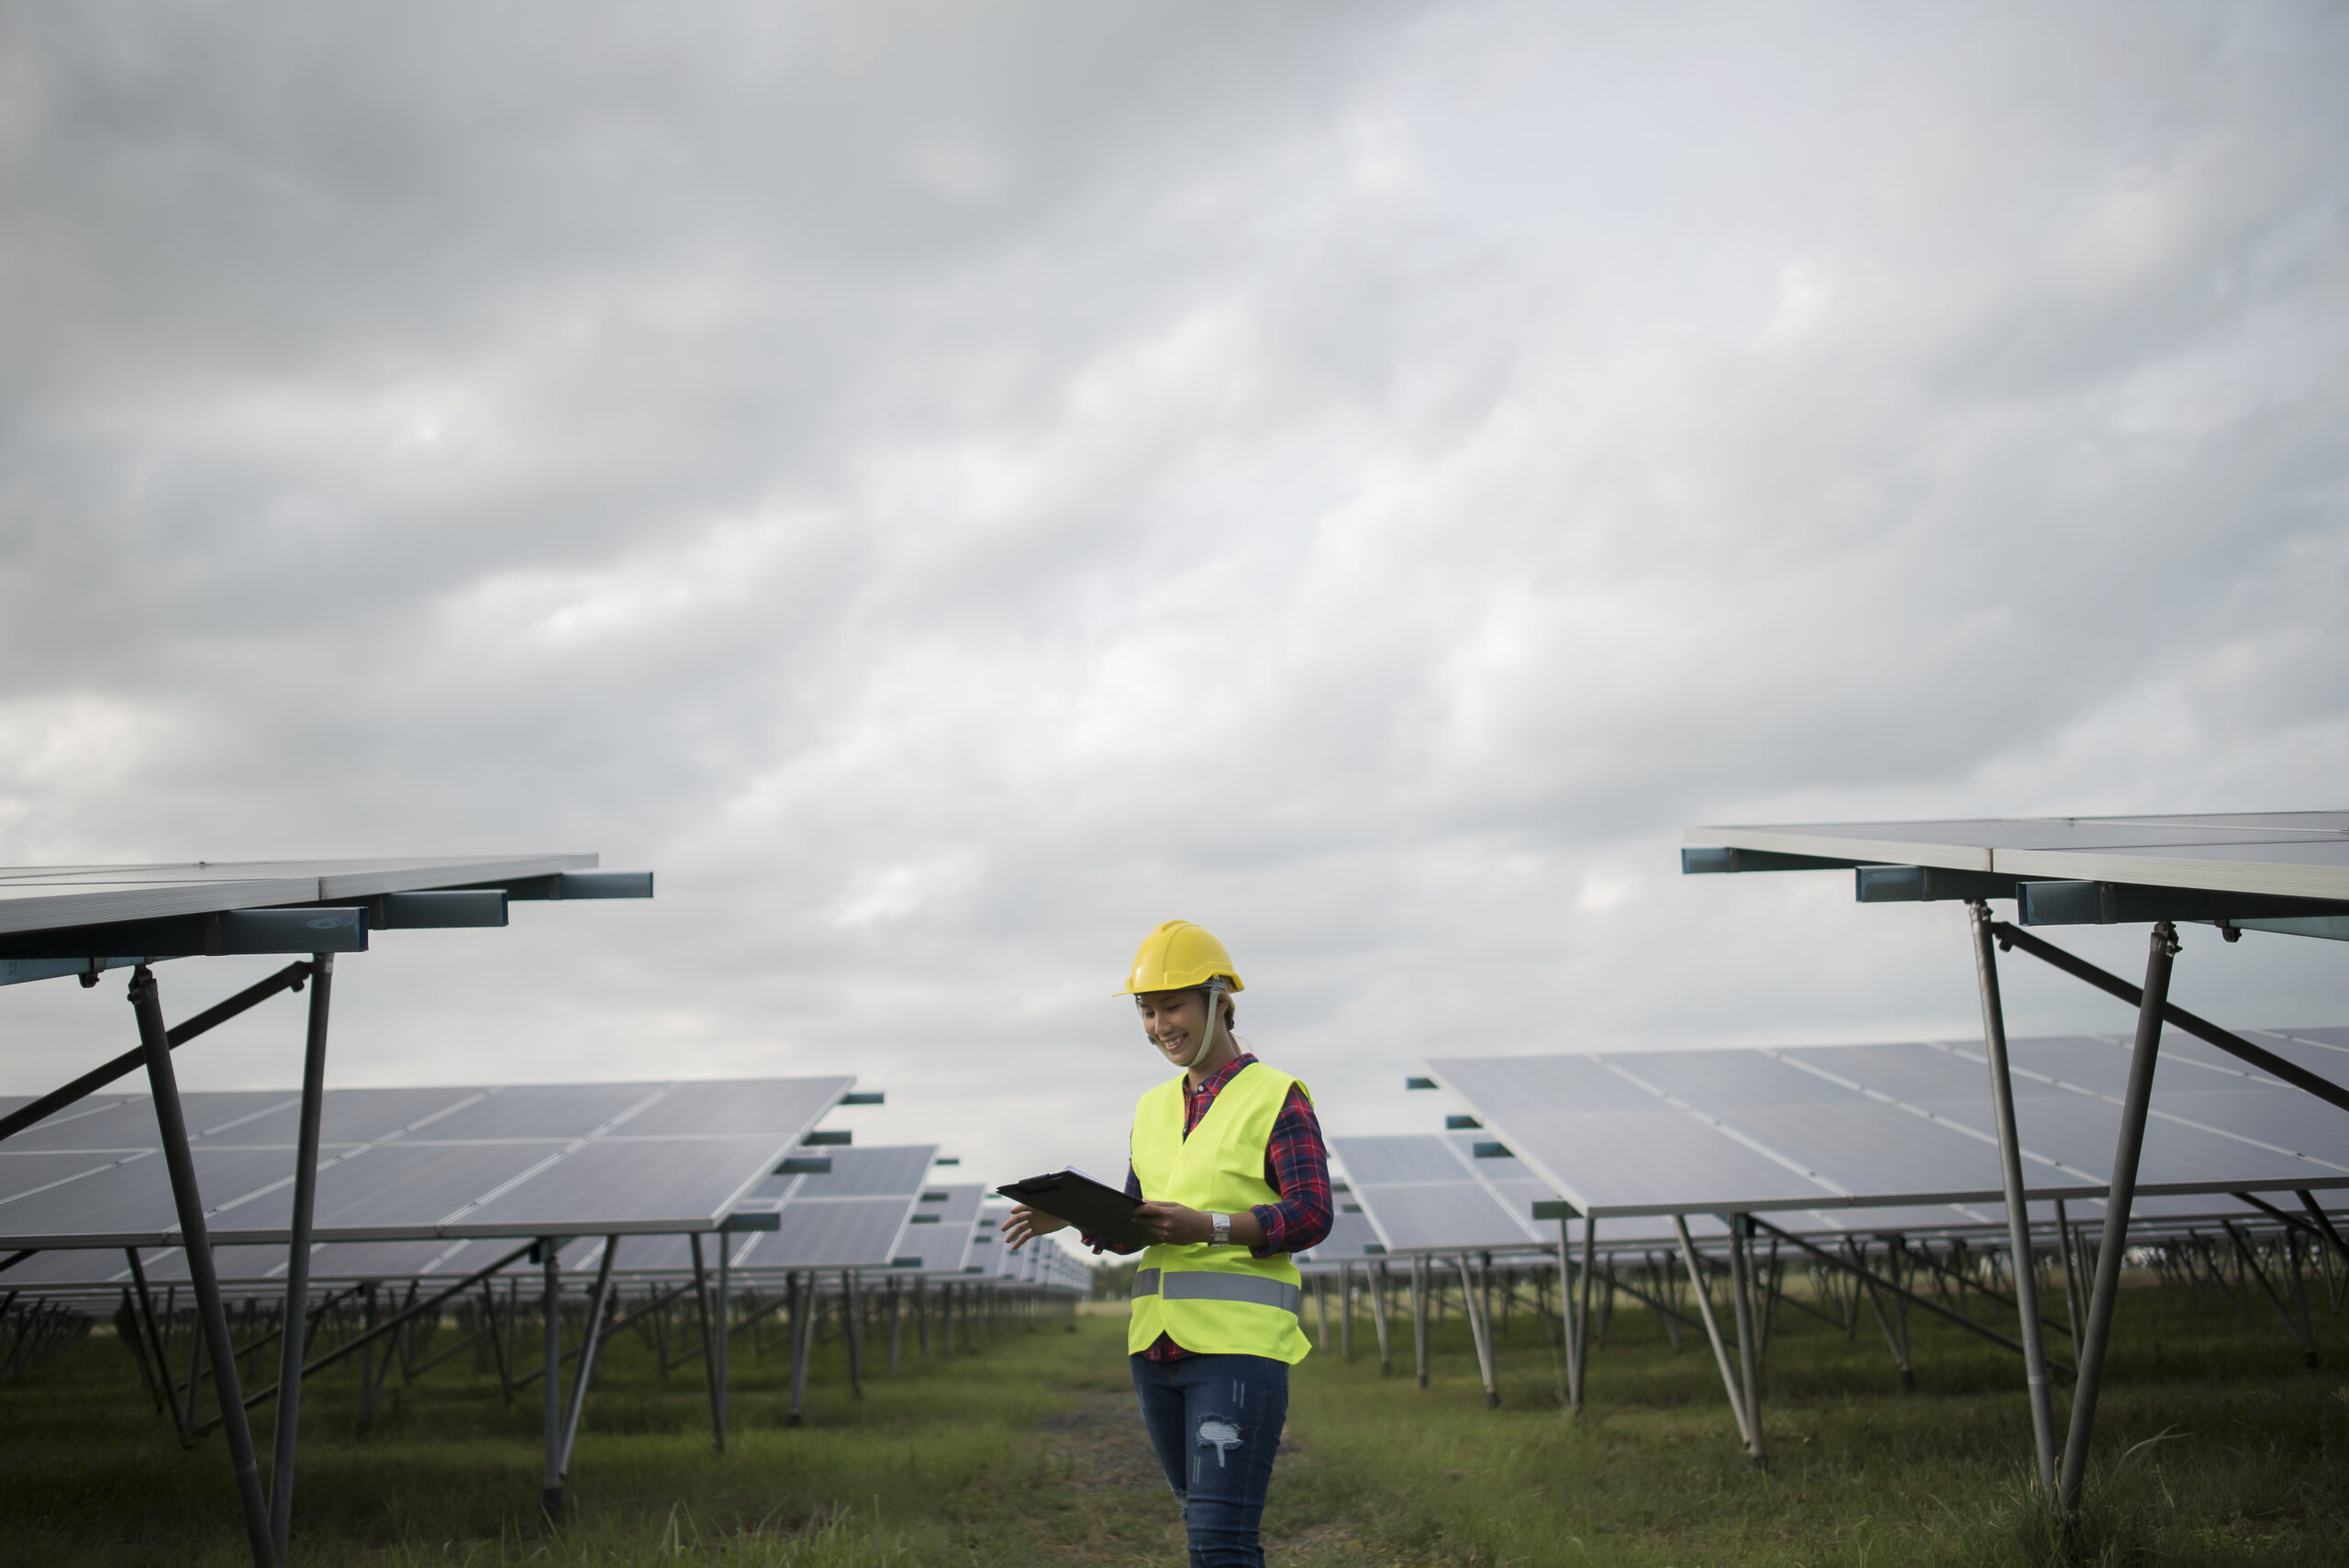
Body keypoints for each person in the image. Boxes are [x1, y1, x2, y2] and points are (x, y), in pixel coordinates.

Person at [1004, 919, 1331, 1568]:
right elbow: (1139, 1222)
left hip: (1237, 1350)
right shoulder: (1153, 1106)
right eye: (1146, 1012)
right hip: (1156, 1349)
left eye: (1172, 1006)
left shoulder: (1277, 1097)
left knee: (1218, 1541)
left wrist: (1209, 1226)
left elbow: (1312, 1212)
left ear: (1219, 999)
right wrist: (1072, 1216)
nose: (1160, 1025)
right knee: (1207, 1529)